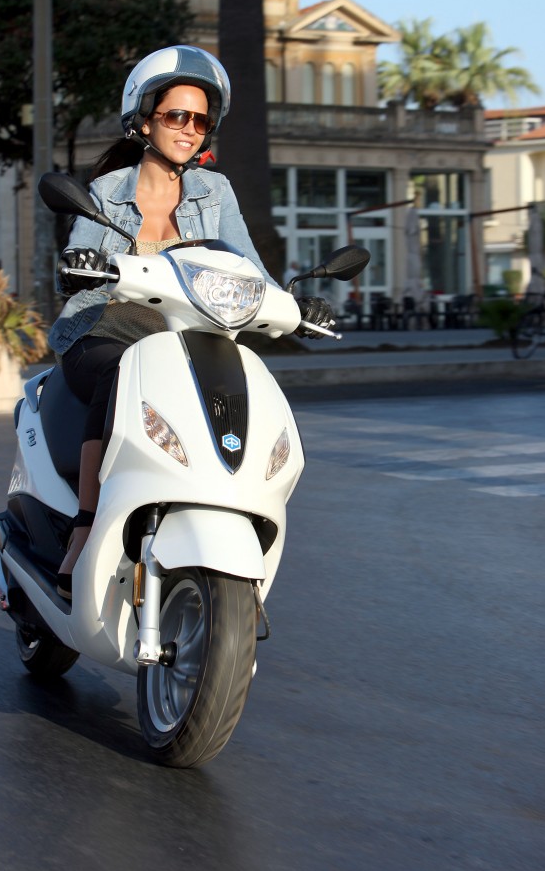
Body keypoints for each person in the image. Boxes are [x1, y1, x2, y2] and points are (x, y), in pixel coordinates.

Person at [47, 45, 334, 600]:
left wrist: (296, 306)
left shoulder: (215, 191)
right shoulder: (108, 192)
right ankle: (86, 524)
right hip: (102, 329)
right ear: (145, 119)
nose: (190, 129)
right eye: (177, 115)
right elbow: (79, 256)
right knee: (121, 374)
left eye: (201, 119)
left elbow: (250, 267)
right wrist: (81, 266)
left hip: (184, 336)